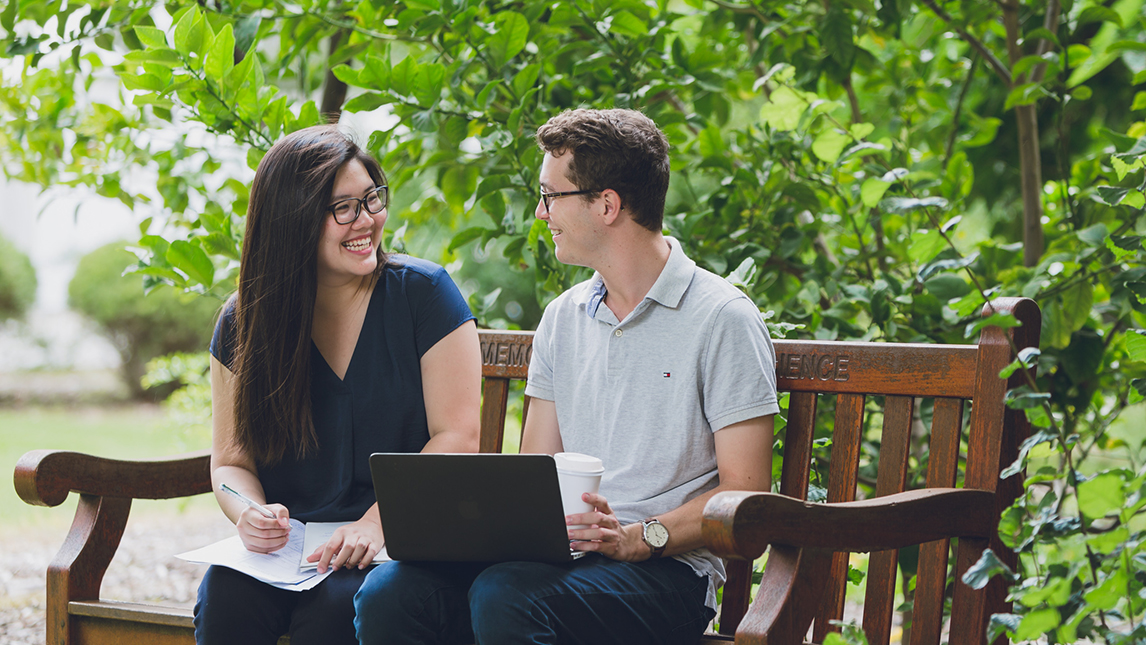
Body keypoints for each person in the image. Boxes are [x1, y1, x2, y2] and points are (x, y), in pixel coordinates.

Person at [353, 108, 778, 644]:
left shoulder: (722, 319)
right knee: (391, 591)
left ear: (607, 204)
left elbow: (746, 494)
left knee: (505, 596)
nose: (540, 212)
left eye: (551, 196)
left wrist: (637, 537)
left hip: (667, 574)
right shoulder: (563, 316)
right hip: (558, 560)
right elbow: (539, 472)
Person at [194, 125, 482, 645]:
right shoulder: (244, 321)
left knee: (334, 609)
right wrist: (249, 512)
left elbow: (458, 437)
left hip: (398, 546)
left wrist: (375, 524)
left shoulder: (424, 295)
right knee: (225, 594)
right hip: (294, 552)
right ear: (292, 222)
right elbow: (232, 461)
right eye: (343, 208)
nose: (367, 220)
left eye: (372, 198)